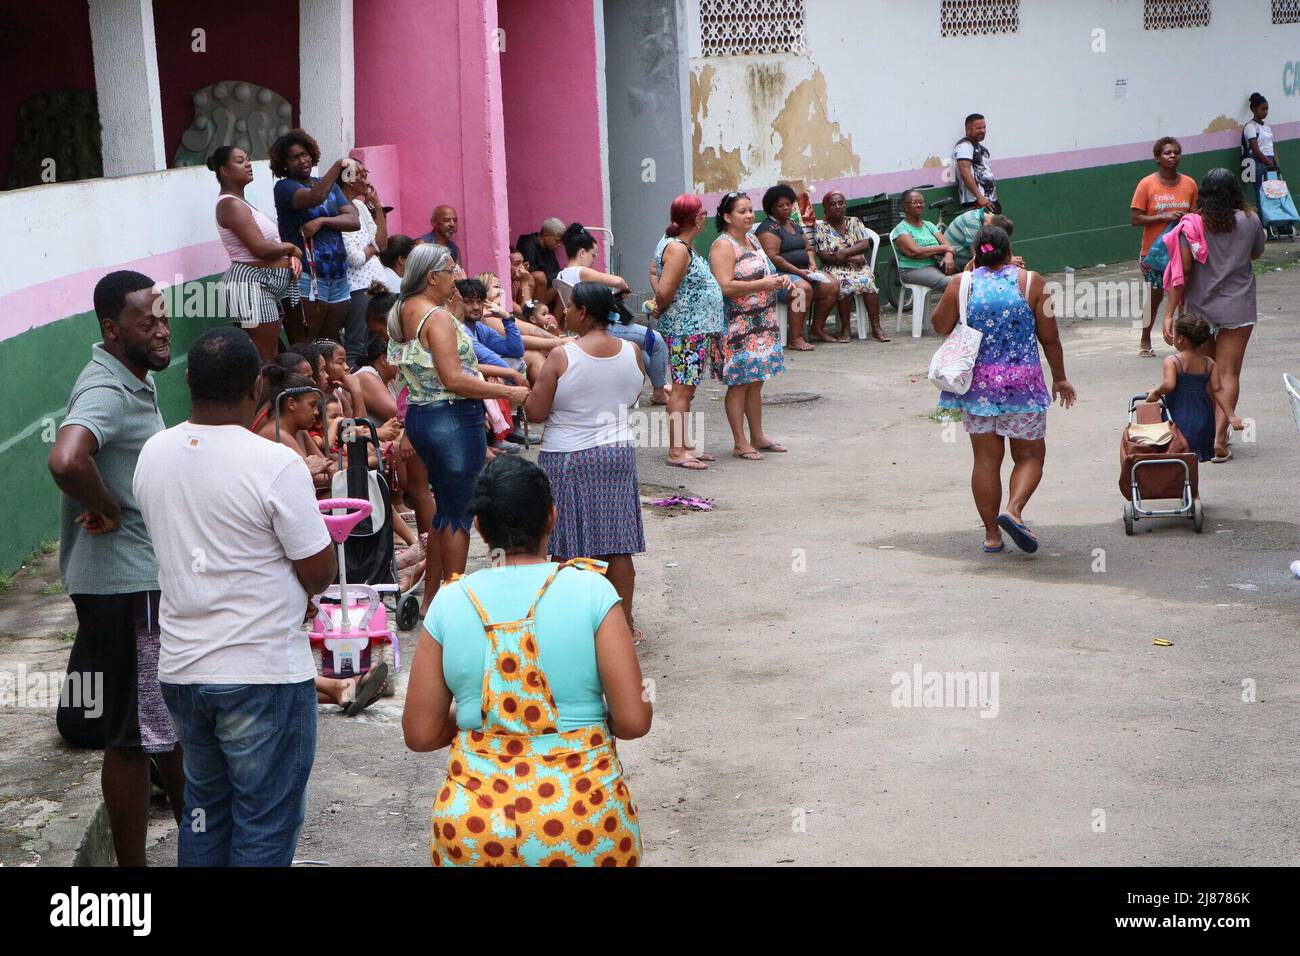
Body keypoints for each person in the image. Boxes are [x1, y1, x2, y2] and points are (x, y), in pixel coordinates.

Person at [133, 327, 336, 867]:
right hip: (261, 672)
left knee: (204, 809)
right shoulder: (274, 463)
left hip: (183, 670)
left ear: (187, 380)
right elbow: (318, 572)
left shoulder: (153, 453)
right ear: (256, 388)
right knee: (264, 821)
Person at [402, 456, 650, 867]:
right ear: (552, 517)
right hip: (582, 816)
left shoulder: (450, 601)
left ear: (480, 527)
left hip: (476, 824)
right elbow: (634, 720)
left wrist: (477, 720)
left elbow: (420, 732)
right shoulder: (592, 591)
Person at [47, 271, 184, 867]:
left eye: (163, 316)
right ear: (111, 328)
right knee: (133, 737)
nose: (161, 329)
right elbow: (66, 459)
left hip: (132, 585)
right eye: (145, 321)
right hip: (126, 587)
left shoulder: (130, 378)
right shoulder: (104, 389)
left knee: (160, 729)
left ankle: (203, 847)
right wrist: (106, 508)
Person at [388, 243, 529, 611]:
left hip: (423, 416)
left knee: (445, 511)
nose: (458, 275)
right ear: (432, 276)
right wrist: (506, 393)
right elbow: (454, 378)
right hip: (450, 416)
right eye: (452, 270)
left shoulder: (404, 309)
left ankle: (433, 597)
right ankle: (452, 600)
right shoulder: (435, 318)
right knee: (459, 514)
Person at [932, 226, 1076, 554]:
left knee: (985, 459)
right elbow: (1050, 337)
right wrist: (1060, 378)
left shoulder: (962, 284)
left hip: (977, 388)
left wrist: (963, 281)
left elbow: (939, 325)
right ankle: (1013, 510)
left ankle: (992, 536)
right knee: (1030, 456)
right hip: (1023, 386)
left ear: (975, 253)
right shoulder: (1032, 282)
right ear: (1009, 252)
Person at [525, 282, 648, 643]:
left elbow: (535, 412)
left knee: (565, 546)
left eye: (569, 307)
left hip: (568, 457)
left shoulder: (563, 356)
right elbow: (634, 393)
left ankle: (568, 627)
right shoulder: (633, 351)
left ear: (583, 312)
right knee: (618, 544)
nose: (563, 312)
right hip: (617, 453)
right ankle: (622, 625)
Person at [1160, 168, 1265, 463]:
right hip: (1238, 306)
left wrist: (1168, 314)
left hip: (1200, 309)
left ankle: (1204, 435)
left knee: (1206, 371)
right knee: (1229, 372)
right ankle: (1220, 438)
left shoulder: (1191, 225)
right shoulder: (1251, 220)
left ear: (1203, 193)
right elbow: (1255, 254)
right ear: (1235, 192)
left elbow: (1183, 273)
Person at [709, 191, 790, 461]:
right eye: (742, 211)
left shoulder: (753, 239)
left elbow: (765, 273)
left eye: (750, 210)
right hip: (738, 325)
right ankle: (740, 442)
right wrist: (762, 285)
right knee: (739, 384)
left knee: (756, 381)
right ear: (726, 216)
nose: (748, 215)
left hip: (762, 322)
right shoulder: (723, 245)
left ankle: (758, 436)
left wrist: (778, 281)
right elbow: (726, 286)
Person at [554, 223, 669, 404]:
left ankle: (661, 384)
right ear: (582, 252)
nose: (593, 260)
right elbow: (619, 281)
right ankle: (659, 391)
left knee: (646, 347)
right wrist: (621, 289)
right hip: (602, 327)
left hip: (587, 326)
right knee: (657, 340)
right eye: (593, 255)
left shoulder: (561, 275)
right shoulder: (581, 271)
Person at [650, 193, 725, 469]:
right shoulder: (678, 249)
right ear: (697, 219)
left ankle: (685, 445)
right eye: (702, 212)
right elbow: (666, 291)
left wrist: (659, 304)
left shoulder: (676, 245)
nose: (705, 216)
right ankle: (676, 451)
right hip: (686, 330)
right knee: (682, 391)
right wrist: (658, 305)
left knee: (687, 390)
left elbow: (653, 272)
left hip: (692, 328)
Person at [208, 146, 302, 361]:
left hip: (265, 285)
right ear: (224, 170)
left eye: (248, 159)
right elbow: (260, 248)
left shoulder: (241, 202)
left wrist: (291, 258)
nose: (248, 164)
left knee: (272, 354)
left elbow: (271, 243)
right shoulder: (230, 204)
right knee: (266, 358)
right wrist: (292, 248)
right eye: (240, 161)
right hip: (251, 286)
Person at [270, 128, 358, 342]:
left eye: (305, 154)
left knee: (329, 343)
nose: (302, 160)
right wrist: (338, 166)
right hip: (307, 276)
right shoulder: (284, 187)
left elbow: (354, 221)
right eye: (294, 158)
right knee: (306, 343)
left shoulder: (326, 185)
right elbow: (314, 197)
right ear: (284, 164)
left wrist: (322, 221)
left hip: (337, 275)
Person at [1130, 136, 1198, 357]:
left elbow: (1197, 215)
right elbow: (1136, 218)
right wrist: (1164, 216)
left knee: (1182, 298)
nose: (1173, 156)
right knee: (1156, 296)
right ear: (1157, 158)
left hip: (1183, 250)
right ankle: (1145, 338)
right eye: (1167, 153)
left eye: (1176, 152)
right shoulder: (1146, 184)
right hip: (1154, 253)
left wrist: (1185, 218)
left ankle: (1182, 341)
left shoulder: (1189, 183)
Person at [1145, 313, 1239, 462]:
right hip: (1203, 418)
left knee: (1177, 452)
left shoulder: (1172, 361)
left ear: (1180, 338)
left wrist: (1156, 392)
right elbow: (1217, 390)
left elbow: (1169, 385)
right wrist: (1231, 416)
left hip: (1179, 415)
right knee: (1196, 454)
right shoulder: (1209, 363)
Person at [755, 184, 837, 350]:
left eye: (789, 204)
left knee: (832, 285)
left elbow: (808, 248)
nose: (786, 208)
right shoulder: (767, 229)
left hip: (805, 272)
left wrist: (812, 264)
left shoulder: (794, 225)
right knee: (801, 289)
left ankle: (816, 329)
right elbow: (774, 258)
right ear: (770, 208)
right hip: (779, 276)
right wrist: (799, 272)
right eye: (780, 205)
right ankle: (795, 337)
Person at [813, 189, 889, 342]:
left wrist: (844, 253)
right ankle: (845, 329)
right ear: (825, 207)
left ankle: (876, 328)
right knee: (843, 282)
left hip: (859, 268)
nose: (837, 207)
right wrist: (852, 257)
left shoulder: (854, 221)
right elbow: (825, 256)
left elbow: (865, 244)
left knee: (867, 281)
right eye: (833, 204)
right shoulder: (821, 227)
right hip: (835, 268)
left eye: (841, 203)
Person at [339, 158, 388, 365]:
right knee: (356, 344)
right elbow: (355, 258)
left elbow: (382, 243)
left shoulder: (359, 204)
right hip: (358, 288)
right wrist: (371, 249)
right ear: (348, 179)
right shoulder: (337, 207)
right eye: (361, 174)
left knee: (376, 342)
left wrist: (377, 207)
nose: (366, 180)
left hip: (376, 285)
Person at [890, 188, 958, 292]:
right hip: (913, 270)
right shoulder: (901, 229)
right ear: (905, 207)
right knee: (953, 283)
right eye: (915, 202)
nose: (919, 205)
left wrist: (948, 257)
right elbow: (914, 251)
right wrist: (943, 248)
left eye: (921, 202)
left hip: (935, 264)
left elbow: (948, 245)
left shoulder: (929, 225)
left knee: (970, 272)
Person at [517, 217, 565, 310]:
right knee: (541, 276)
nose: (559, 245)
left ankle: (557, 323)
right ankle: (540, 315)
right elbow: (533, 276)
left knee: (565, 280)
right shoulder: (529, 246)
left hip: (547, 290)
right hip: (530, 291)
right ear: (546, 235)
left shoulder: (549, 248)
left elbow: (554, 273)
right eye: (557, 240)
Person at [953, 113, 997, 210]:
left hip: (988, 201)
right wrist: (979, 197)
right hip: (976, 203)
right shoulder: (964, 147)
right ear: (968, 129)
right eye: (978, 128)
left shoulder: (981, 148)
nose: (983, 131)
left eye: (984, 127)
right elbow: (965, 172)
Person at [1243, 92, 1279, 209]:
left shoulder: (1267, 127)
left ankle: (1275, 221)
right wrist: (1269, 163)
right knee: (1261, 194)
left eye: (1267, 109)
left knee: (1274, 193)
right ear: (1253, 109)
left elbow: (1271, 146)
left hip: (1270, 162)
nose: (1265, 112)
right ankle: (1263, 224)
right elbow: (1255, 149)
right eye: (1262, 109)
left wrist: (1276, 163)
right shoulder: (1250, 127)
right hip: (1258, 162)